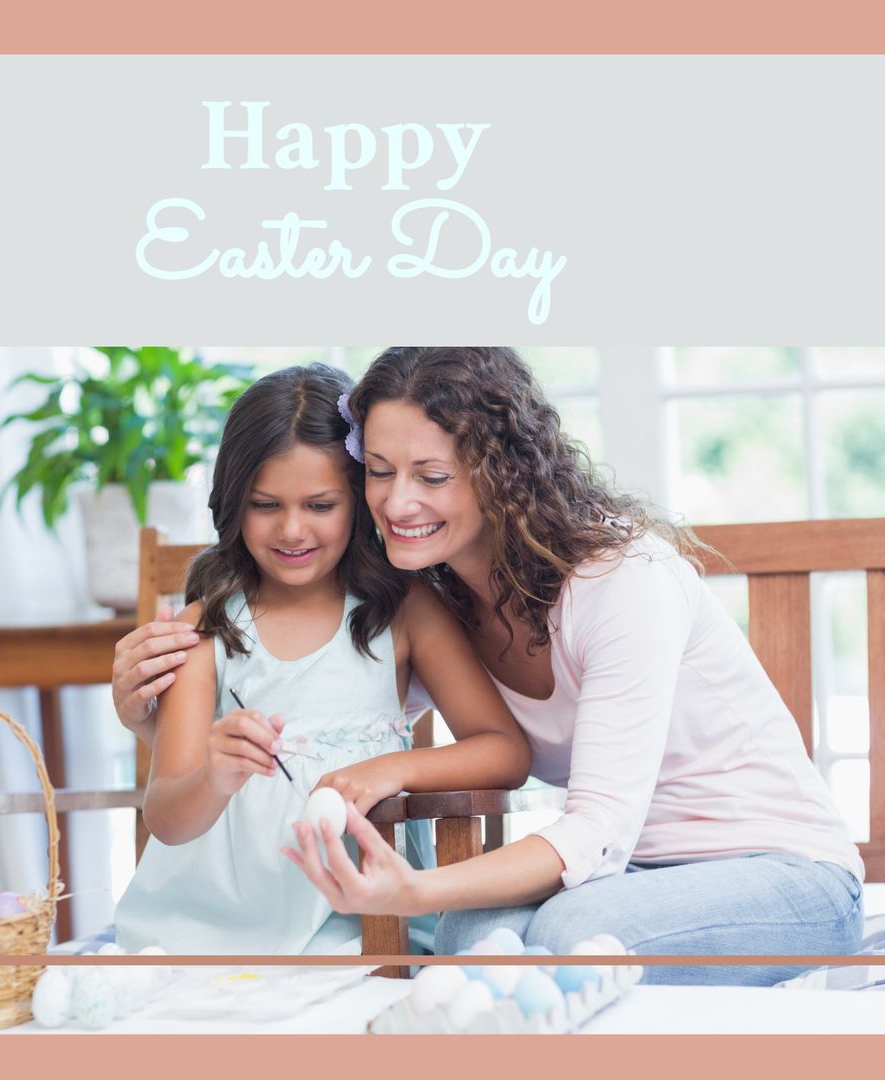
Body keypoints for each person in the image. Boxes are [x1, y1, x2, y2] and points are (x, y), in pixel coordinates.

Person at [119, 347, 865, 986]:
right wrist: (144, 715)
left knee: (565, 939)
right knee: (468, 943)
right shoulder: (438, 590)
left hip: (778, 872)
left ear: (500, 472)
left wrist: (414, 888)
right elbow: (323, 708)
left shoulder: (623, 580)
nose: (397, 501)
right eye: (379, 471)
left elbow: (596, 828)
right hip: (625, 874)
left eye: (432, 477)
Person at [112, 362, 531, 955]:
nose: (291, 529)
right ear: (234, 503)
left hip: (363, 932)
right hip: (202, 938)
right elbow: (169, 819)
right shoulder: (203, 630)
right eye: (265, 504)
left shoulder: (405, 611)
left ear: (359, 501)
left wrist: (394, 768)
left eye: (320, 504)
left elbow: (505, 751)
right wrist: (216, 775)